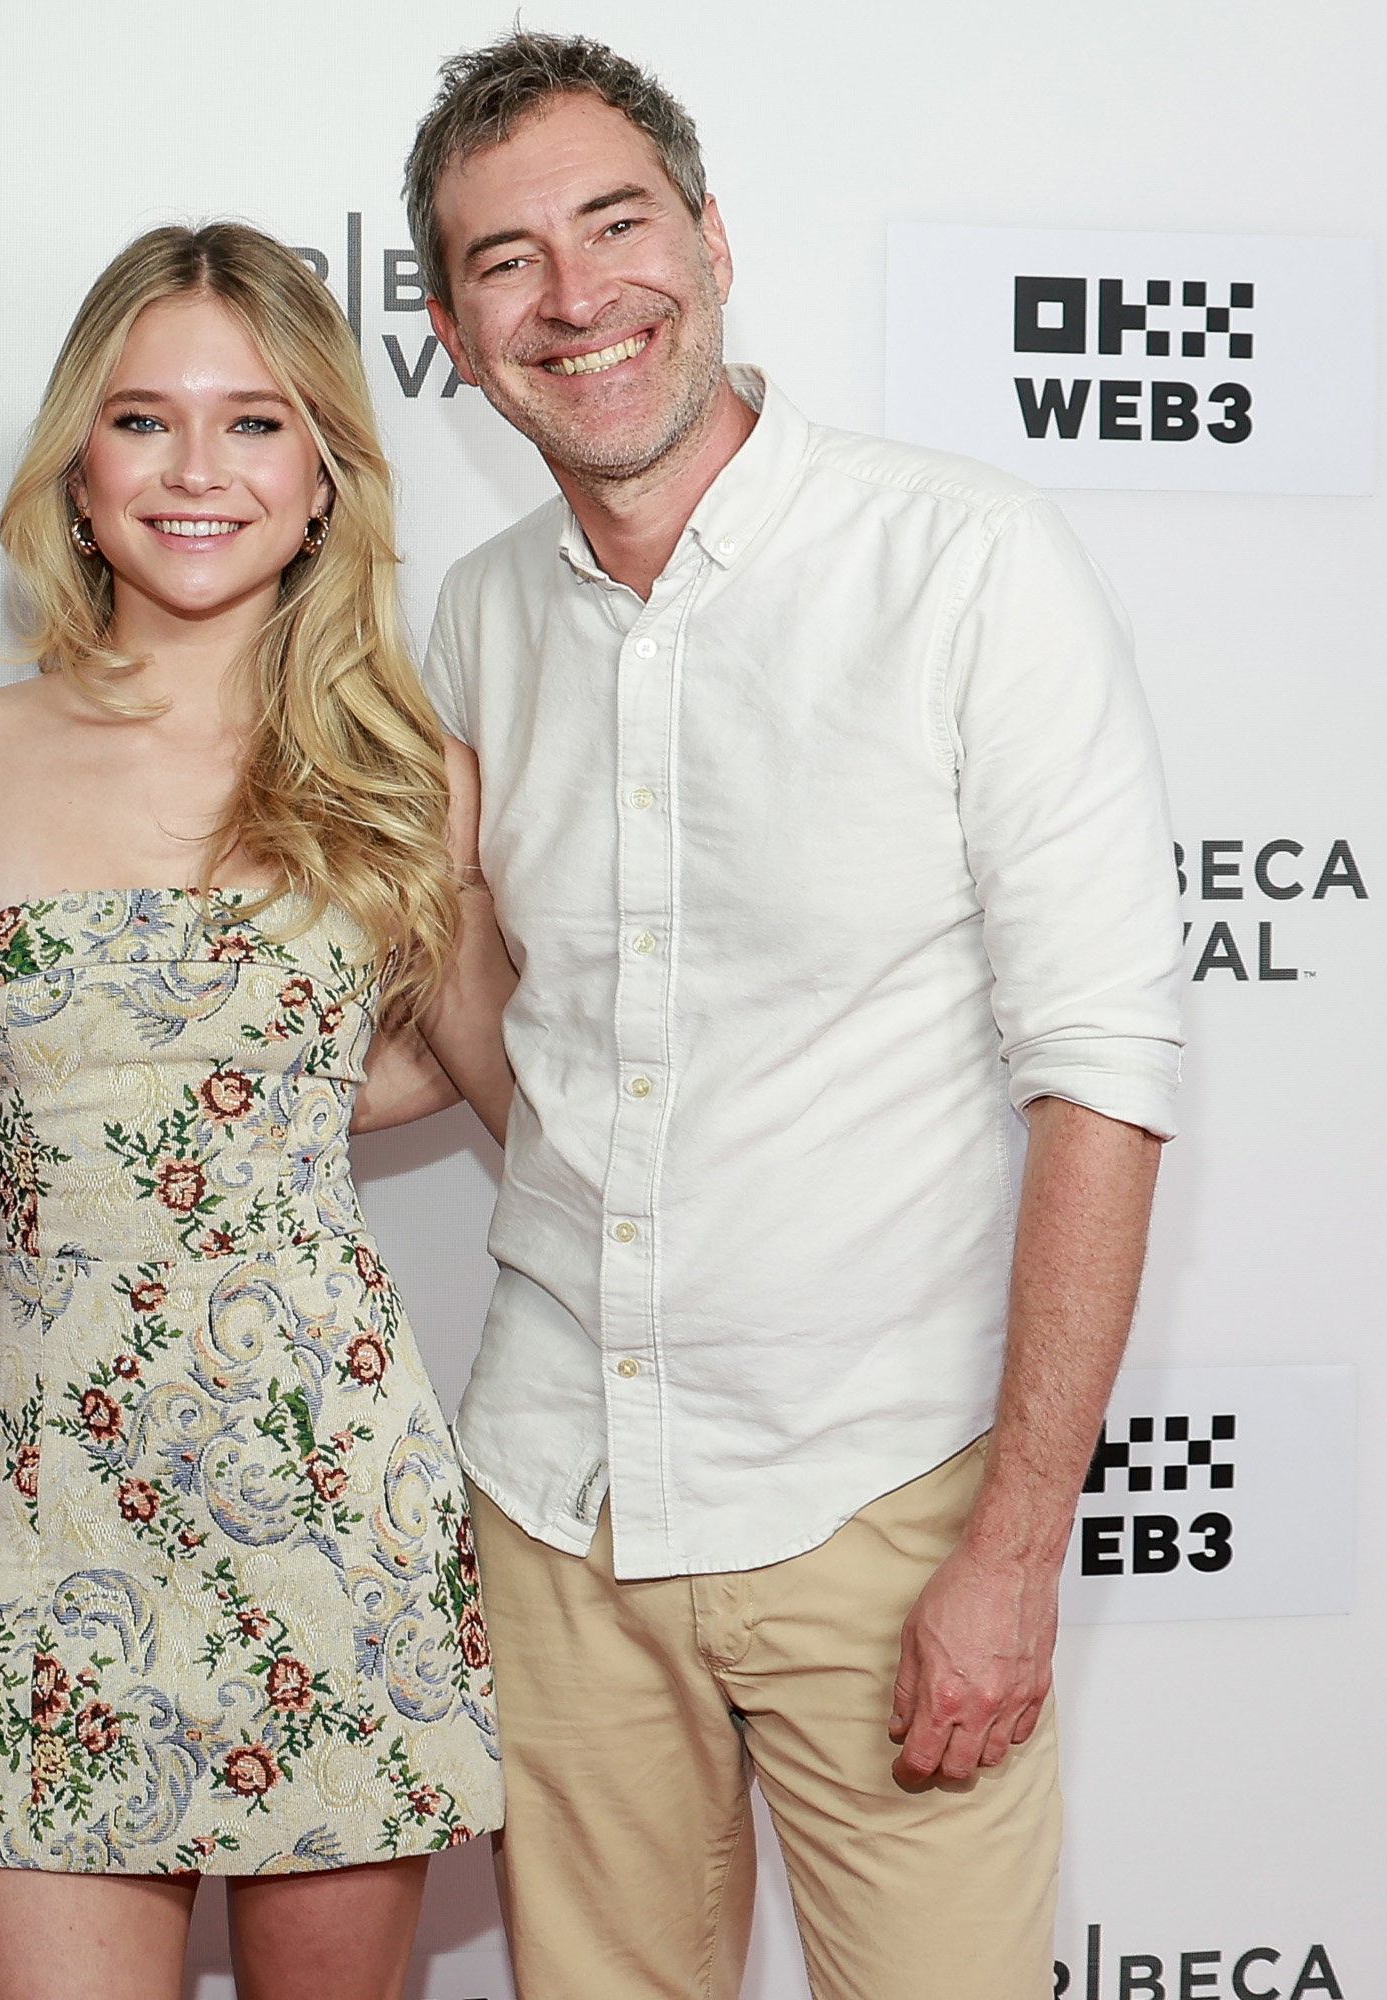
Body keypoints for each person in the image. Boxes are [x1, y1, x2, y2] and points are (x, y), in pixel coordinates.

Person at [400, 33, 1182, 2000]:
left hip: (886, 1510)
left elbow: (1104, 1070)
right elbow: (527, 1037)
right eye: (509, 263)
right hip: (559, 1504)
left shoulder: (966, 564)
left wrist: (1012, 1550)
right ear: (454, 331)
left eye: (616, 223)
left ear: (714, 240)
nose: (576, 299)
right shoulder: (477, 620)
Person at [0, 223, 511, 2000]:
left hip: (336, 1493)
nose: (198, 473)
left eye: (256, 425)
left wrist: (275, 1105)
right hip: (58, 1508)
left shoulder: (415, 776)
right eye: (143, 422)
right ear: (75, 472)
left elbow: (502, 1069)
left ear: (326, 475)